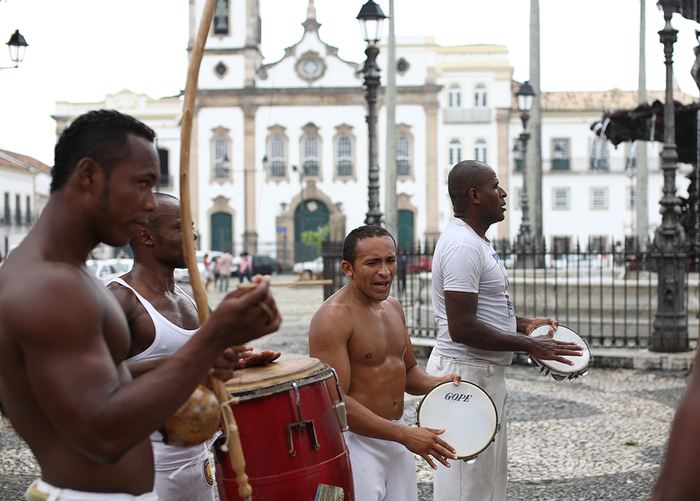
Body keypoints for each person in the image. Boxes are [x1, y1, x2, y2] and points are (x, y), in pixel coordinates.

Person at [0, 109, 281, 501]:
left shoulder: (67, 274)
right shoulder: (51, 284)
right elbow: (103, 432)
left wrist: (204, 360)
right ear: (88, 176)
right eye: (142, 184)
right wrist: (213, 337)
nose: (150, 204)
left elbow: (113, 385)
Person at [427, 159, 583, 501]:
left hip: (482, 373)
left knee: (487, 485)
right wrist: (529, 345)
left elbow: (483, 312)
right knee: (465, 488)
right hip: (464, 376)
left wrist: (525, 325)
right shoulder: (463, 246)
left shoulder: (476, 242)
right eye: (494, 186)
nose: (503, 192)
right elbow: (462, 327)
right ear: (474, 196)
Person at [107, 193, 280, 501]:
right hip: (147, 464)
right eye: (181, 227)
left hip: (199, 458)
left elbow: (208, 363)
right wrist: (199, 356)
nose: (194, 235)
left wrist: (235, 360)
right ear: (146, 236)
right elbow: (102, 380)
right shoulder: (121, 299)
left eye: (192, 226)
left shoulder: (191, 297)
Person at [309, 225, 461, 501]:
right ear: (348, 268)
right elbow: (334, 402)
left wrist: (438, 384)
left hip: (397, 438)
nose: (385, 271)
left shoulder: (393, 307)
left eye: (390, 260)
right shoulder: (332, 318)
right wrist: (404, 434)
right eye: (372, 263)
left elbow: (409, 369)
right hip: (356, 444)